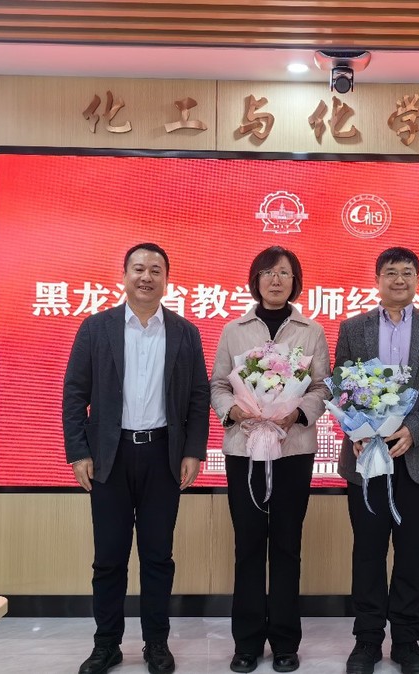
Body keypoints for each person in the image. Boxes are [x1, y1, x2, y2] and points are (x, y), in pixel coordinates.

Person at [63, 242, 211, 674]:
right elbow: (74, 393)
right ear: (125, 276)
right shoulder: (96, 328)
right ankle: (106, 644)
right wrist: (78, 452)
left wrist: (193, 450)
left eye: (156, 270)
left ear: (167, 279)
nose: (147, 277)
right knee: (109, 558)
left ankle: (156, 644)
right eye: (139, 269)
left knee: (158, 557)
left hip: (163, 456)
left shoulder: (184, 332)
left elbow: (198, 397)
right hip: (109, 457)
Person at [335, 247, 419, 674]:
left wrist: (414, 429)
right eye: (390, 272)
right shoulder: (353, 328)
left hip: (417, 459)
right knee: (367, 554)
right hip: (366, 460)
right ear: (377, 280)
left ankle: (407, 641)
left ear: (417, 279)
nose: (399, 280)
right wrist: (356, 432)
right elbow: (340, 386)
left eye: (407, 272)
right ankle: (367, 640)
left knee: (412, 554)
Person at [210, 246, 331, 674]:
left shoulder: (311, 331)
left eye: (284, 273)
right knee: (247, 547)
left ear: (295, 282)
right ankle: (246, 643)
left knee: (286, 545)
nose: (275, 280)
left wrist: (297, 413)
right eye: (267, 272)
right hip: (244, 450)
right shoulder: (234, 330)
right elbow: (218, 384)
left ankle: (284, 642)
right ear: (255, 280)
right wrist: (233, 410)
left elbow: (322, 387)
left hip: (292, 450)